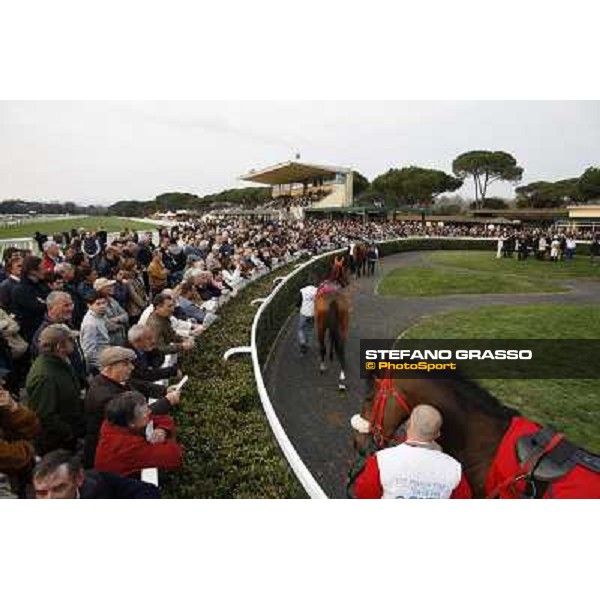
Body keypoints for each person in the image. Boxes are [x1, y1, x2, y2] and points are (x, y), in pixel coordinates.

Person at [83, 346, 179, 468]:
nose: (132, 367)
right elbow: (137, 416)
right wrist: (167, 401)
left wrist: (164, 390)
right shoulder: (104, 396)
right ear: (109, 368)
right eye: (125, 364)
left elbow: (139, 385)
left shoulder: (112, 380)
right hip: (109, 461)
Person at [353, 405, 469, 499]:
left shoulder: (382, 460)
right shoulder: (455, 469)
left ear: (408, 425)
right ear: (437, 434)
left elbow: (363, 494)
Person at [25, 324, 85, 455]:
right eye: (71, 340)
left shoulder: (60, 362)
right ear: (59, 346)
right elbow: (44, 416)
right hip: (55, 443)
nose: (74, 342)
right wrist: (68, 432)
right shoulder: (44, 376)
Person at [94, 391, 183, 478]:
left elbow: (162, 418)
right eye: (145, 412)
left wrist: (162, 430)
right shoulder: (127, 447)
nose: (149, 411)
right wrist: (162, 440)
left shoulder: (114, 422)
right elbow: (174, 456)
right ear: (132, 423)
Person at [33, 449, 161, 499]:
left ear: (79, 478)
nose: (49, 499)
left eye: (59, 488)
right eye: (41, 493)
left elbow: (149, 491)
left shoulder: (100, 482)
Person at [31, 291, 88, 386]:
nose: (71, 308)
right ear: (51, 308)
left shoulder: (66, 324)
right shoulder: (44, 335)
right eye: (66, 305)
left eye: (71, 304)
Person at [0, 370, 40, 492]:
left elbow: (34, 428)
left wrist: (14, 408)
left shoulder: (3, 404)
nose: (3, 382)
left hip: (17, 480)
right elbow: (7, 457)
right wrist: (27, 450)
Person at [11, 255, 50, 342]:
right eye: (42, 268)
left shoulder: (42, 285)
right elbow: (40, 308)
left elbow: (50, 301)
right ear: (33, 271)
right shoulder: (21, 290)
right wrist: (45, 303)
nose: (45, 270)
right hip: (32, 335)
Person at [80, 290, 111, 373]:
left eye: (104, 303)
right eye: (98, 304)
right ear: (89, 305)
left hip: (106, 355)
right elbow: (89, 353)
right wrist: (104, 366)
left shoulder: (100, 315)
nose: (102, 306)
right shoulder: (90, 324)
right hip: (100, 365)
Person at [94, 278, 129, 346]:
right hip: (111, 343)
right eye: (108, 286)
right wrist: (122, 324)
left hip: (122, 339)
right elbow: (108, 326)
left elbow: (126, 315)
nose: (112, 287)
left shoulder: (112, 300)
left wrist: (116, 319)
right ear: (101, 289)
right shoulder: (97, 305)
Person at [296, 280, 317, 354]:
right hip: (313, 313)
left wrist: (298, 307)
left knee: (301, 329)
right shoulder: (317, 291)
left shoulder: (302, 291)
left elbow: (298, 302)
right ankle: (307, 344)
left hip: (304, 313)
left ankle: (302, 342)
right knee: (310, 329)